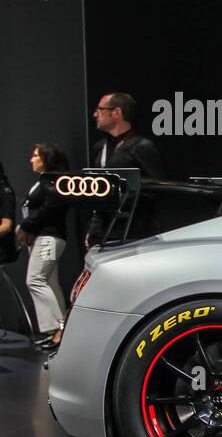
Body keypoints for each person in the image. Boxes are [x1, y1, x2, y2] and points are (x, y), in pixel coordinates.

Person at [87, 92, 167, 247]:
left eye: (100, 109)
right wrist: (93, 229)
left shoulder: (142, 147)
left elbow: (159, 189)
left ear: (116, 113)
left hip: (137, 234)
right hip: (104, 233)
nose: (95, 114)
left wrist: (124, 195)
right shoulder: (99, 148)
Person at [18, 144, 70, 350]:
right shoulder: (43, 182)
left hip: (49, 237)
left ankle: (60, 329)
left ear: (46, 159)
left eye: (35, 156)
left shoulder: (54, 182)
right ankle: (57, 330)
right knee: (50, 282)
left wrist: (25, 225)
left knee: (35, 280)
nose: (31, 159)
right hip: (43, 237)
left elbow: (50, 209)